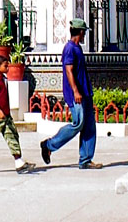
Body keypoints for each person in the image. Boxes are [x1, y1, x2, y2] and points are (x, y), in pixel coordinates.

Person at [40, 19, 102, 170]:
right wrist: (75, 91)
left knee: (89, 126)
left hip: (84, 92)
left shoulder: (77, 48)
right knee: (78, 123)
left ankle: (86, 159)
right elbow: (69, 71)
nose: (85, 34)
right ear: (81, 32)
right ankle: (49, 145)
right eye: (85, 32)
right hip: (76, 94)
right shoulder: (69, 49)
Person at [0, 55, 34, 174]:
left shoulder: (3, 79)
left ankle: (19, 162)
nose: (7, 67)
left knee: (12, 136)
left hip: (6, 115)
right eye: (5, 65)